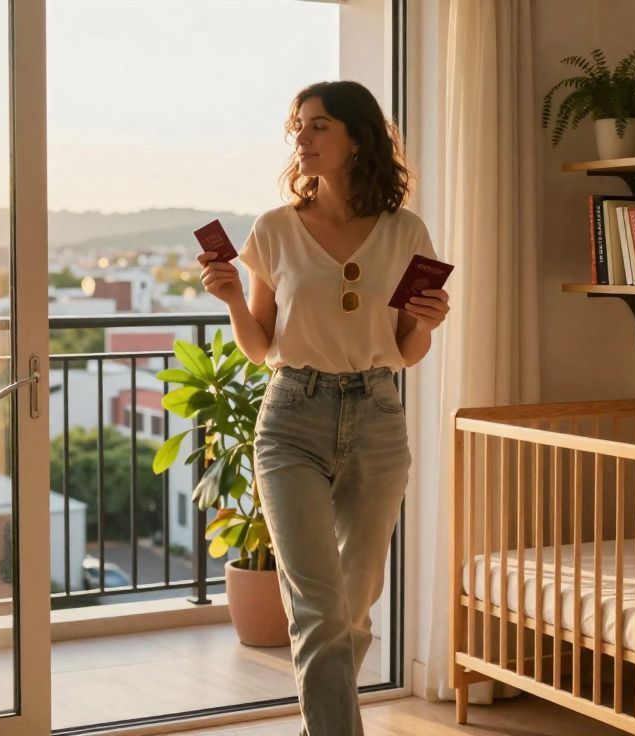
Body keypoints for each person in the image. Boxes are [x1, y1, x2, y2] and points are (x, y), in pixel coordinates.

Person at [198, 80, 450, 736]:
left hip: (376, 417)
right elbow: (258, 347)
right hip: (291, 419)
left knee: (354, 606)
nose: (301, 139)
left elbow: (406, 350)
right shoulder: (275, 229)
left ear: (356, 139)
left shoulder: (406, 232)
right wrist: (229, 300)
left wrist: (427, 323)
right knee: (315, 607)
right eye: (299, 127)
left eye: (318, 127)